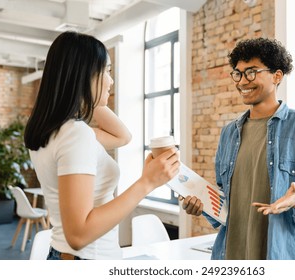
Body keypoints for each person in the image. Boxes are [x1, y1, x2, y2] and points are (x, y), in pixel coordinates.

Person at [24, 31, 180, 260]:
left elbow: (122, 137)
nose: (112, 80)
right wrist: (147, 183)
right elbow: (78, 235)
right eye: (107, 71)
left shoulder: (53, 130)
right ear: (85, 75)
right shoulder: (76, 135)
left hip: (65, 254)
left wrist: (86, 96)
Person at [181, 37, 295, 260]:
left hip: (285, 256)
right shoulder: (229, 133)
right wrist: (202, 205)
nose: (243, 81)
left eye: (252, 72)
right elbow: (227, 200)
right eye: (238, 73)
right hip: (231, 255)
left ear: (277, 75)